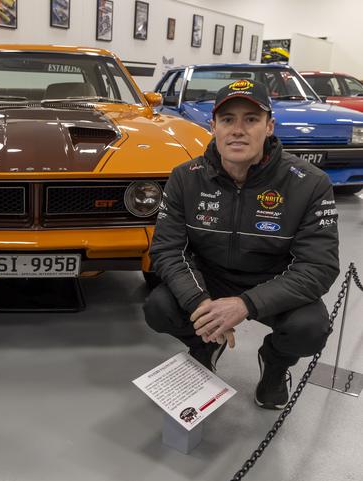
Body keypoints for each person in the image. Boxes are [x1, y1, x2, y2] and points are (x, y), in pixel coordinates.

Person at [143, 79, 339, 410]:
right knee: (158, 307)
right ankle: (204, 346)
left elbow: (319, 266)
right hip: (210, 280)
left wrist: (245, 304)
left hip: (273, 281)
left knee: (311, 328)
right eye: (228, 119)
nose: (238, 130)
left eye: (251, 119)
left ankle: (275, 364)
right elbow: (167, 250)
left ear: (269, 126)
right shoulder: (184, 177)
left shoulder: (310, 183)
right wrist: (200, 305)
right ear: (213, 126)